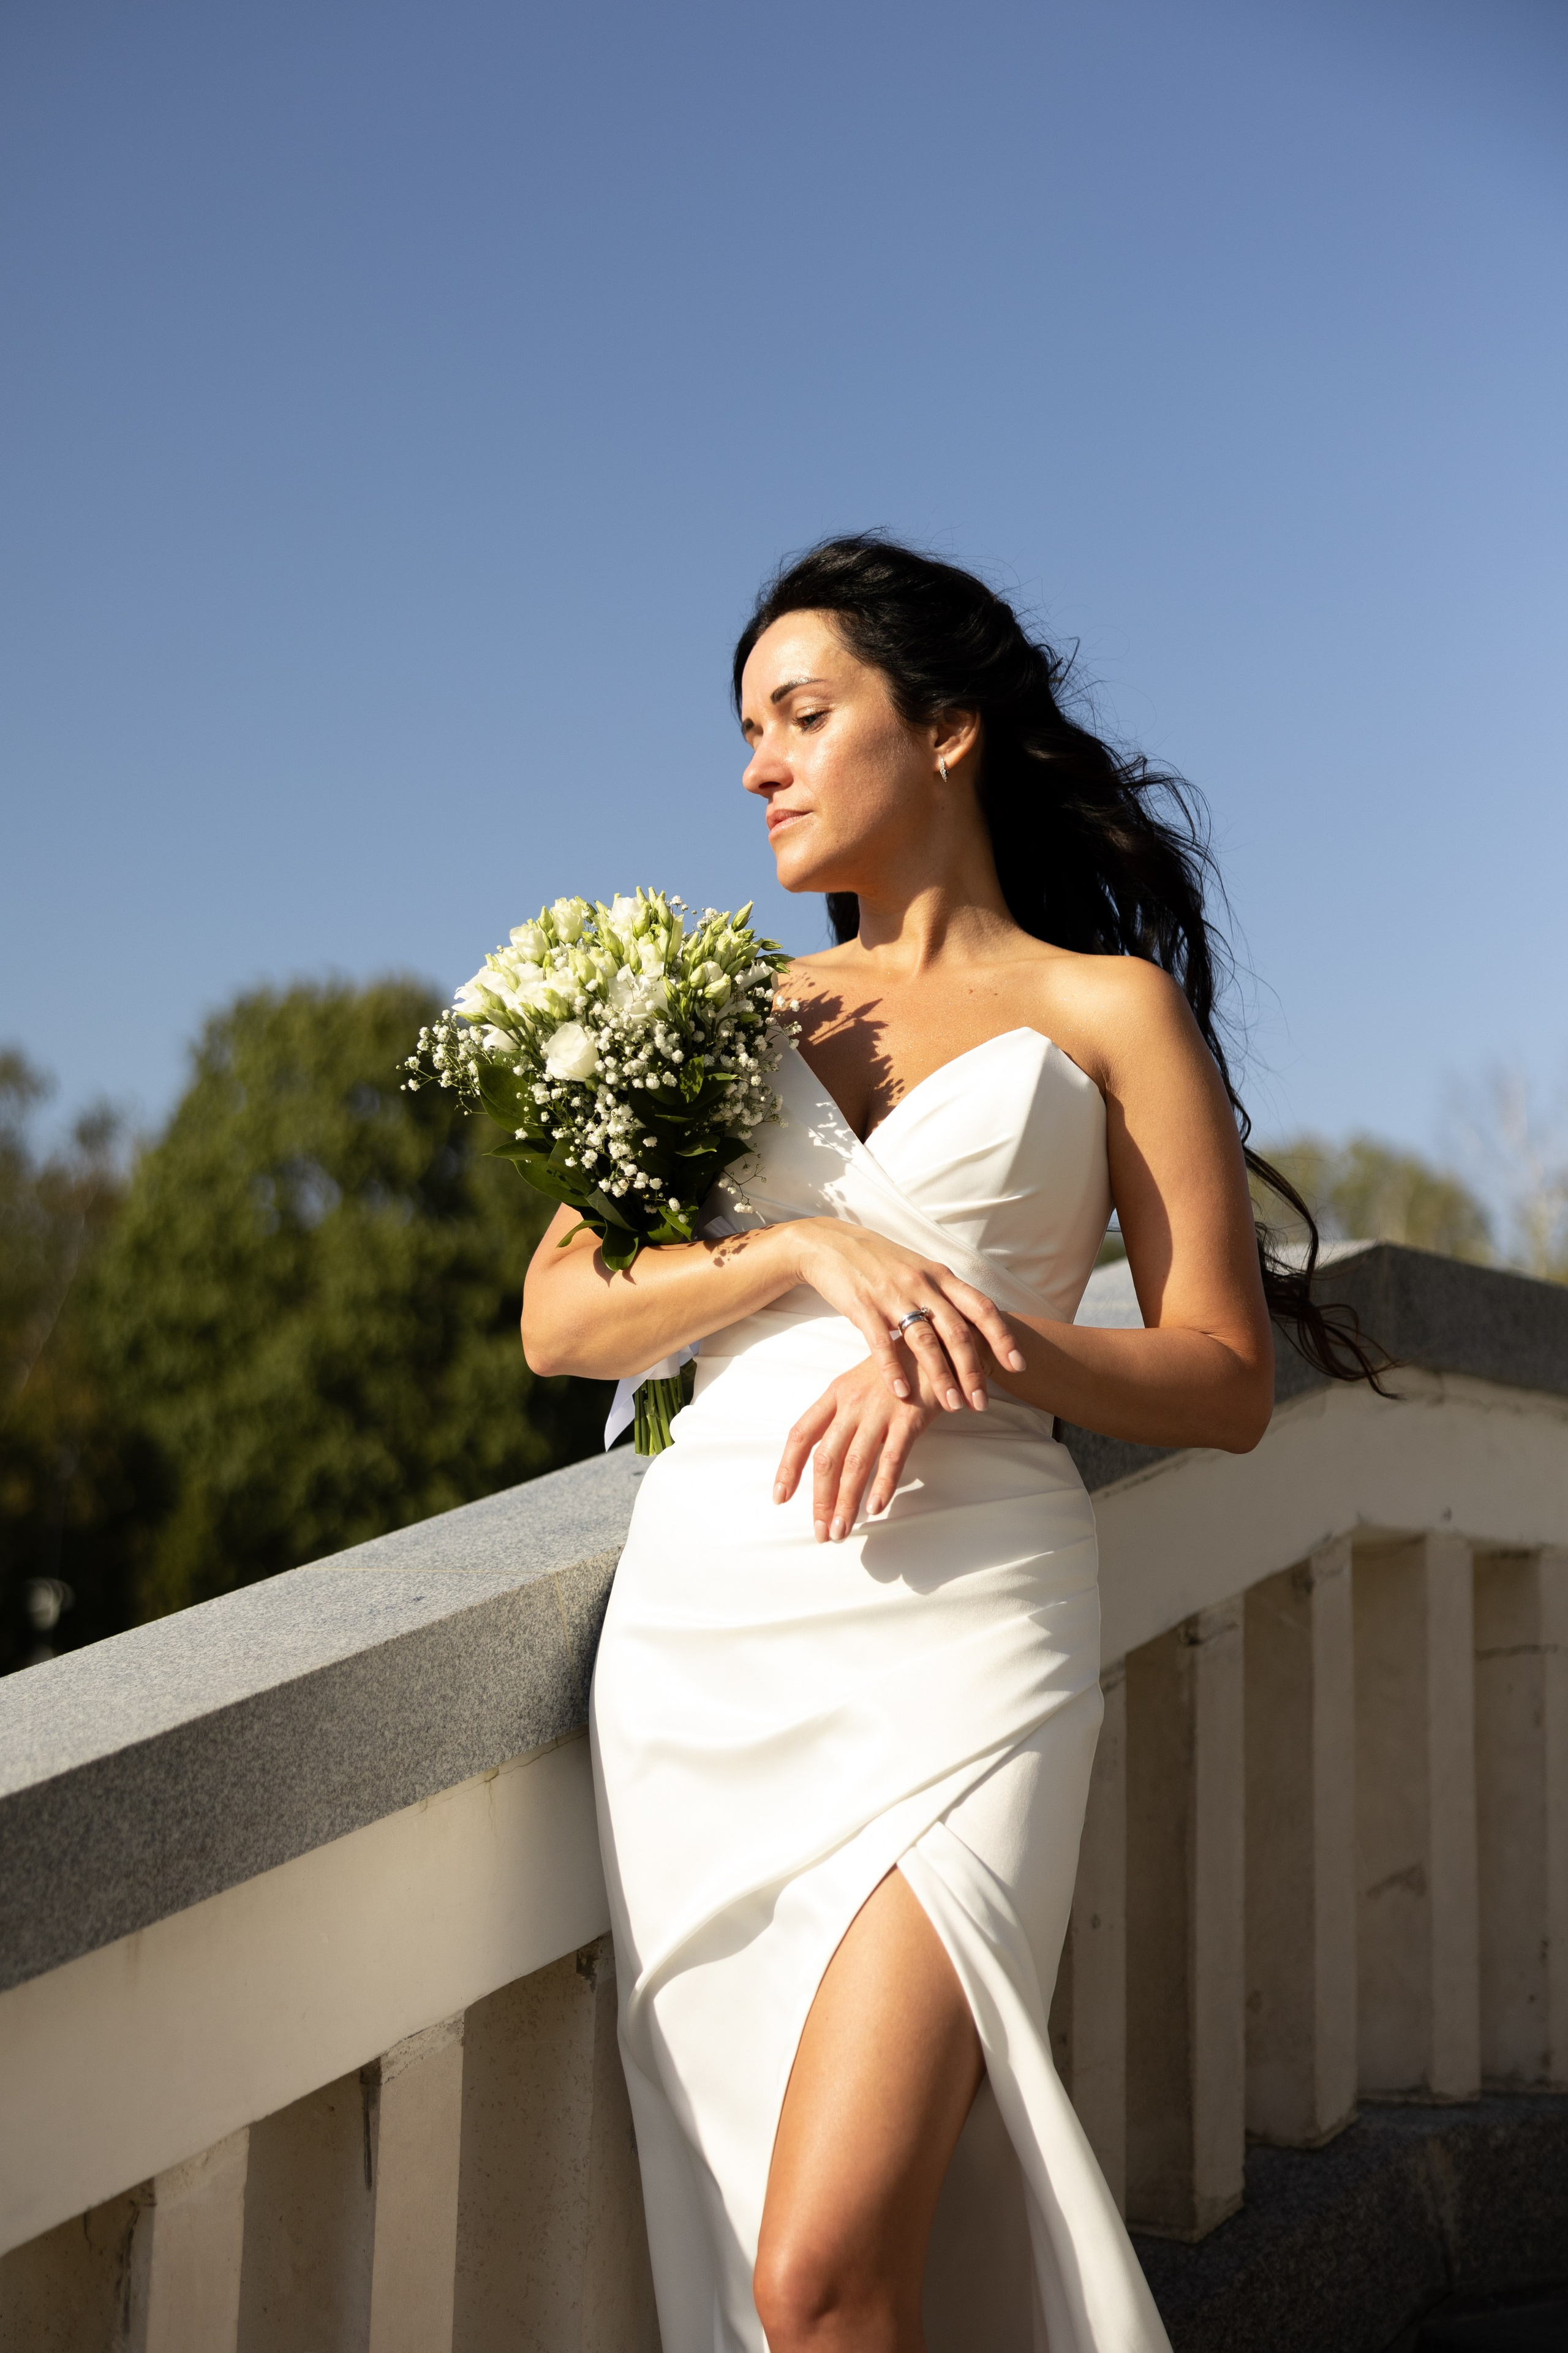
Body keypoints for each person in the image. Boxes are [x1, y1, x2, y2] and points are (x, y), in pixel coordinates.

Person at [521, 536, 1381, 2353]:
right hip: (705, 1646)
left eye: (802, 713)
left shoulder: (1104, 1010)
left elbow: (1223, 1374)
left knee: (818, 2265)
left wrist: (980, 1349)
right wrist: (797, 1250)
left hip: (966, 1636)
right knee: (802, 2252)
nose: (757, 760)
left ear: (948, 732)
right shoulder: (719, 1012)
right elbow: (562, 1314)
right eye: (744, 726)